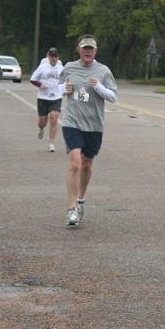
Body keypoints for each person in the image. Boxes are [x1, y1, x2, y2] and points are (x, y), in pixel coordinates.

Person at [59, 35, 117, 227]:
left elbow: (113, 96)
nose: (88, 51)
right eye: (85, 48)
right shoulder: (69, 67)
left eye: (91, 48)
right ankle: (72, 209)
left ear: (96, 51)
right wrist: (64, 88)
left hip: (93, 125)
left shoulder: (103, 71)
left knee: (87, 164)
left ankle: (81, 199)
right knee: (75, 162)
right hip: (72, 121)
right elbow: (57, 88)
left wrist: (98, 87)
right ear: (79, 50)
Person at [30, 47, 64, 152]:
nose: (53, 59)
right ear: (48, 57)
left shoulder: (61, 68)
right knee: (42, 121)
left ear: (58, 57)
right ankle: (41, 128)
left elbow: (66, 80)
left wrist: (65, 89)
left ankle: (51, 143)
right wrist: (40, 85)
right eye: (51, 56)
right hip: (43, 97)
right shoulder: (43, 67)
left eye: (55, 56)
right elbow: (32, 79)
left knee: (54, 118)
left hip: (56, 97)